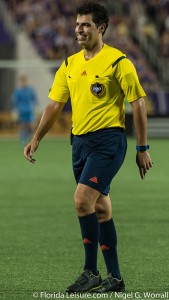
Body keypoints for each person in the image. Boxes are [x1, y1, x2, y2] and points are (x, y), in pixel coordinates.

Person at [24, 2, 153, 294]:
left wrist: (142, 147)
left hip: (109, 141)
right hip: (79, 143)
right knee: (100, 208)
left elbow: (139, 104)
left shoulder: (119, 62)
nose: (79, 30)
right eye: (77, 24)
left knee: (82, 200)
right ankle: (116, 278)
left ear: (101, 28)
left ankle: (90, 272)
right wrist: (36, 138)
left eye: (86, 25)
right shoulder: (70, 64)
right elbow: (55, 105)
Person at [12, 74, 38, 145]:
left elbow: (34, 99)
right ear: (20, 82)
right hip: (21, 111)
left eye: (25, 81)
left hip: (29, 110)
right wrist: (14, 110)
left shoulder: (30, 90)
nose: (24, 83)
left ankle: (31, 139)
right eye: (22, 81)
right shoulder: (18, 91)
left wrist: (36, 107)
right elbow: (15, 101)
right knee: (23, 125)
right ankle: (23, 139)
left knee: (31, 125)